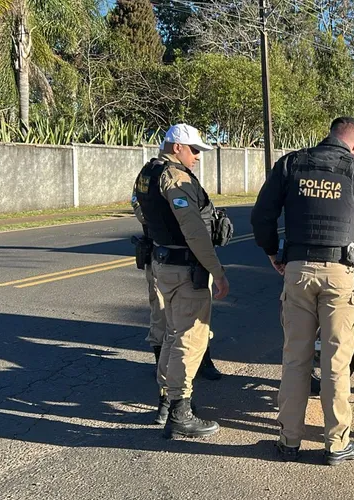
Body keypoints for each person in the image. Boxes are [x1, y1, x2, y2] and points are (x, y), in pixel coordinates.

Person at [251, 116, 354, 465]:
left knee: (295, 360)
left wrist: (272, 252)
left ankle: (288, 442)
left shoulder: (291, 164)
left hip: (297, 272)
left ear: (329, 136)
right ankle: (336, 445)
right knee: (336, 364)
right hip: (342, 277)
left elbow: (261, 218)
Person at [133, 123, 231, 439]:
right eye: (194, 150)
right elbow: (193, 230)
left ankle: (165, 404)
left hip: (161, 262)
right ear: (177, 147)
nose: (198, 157)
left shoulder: (147, 173)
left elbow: (140, 210)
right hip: (184, 269)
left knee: (172, 336)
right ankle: (180, 412)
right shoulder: (175, 178)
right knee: (189, 339)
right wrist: (217, 270)